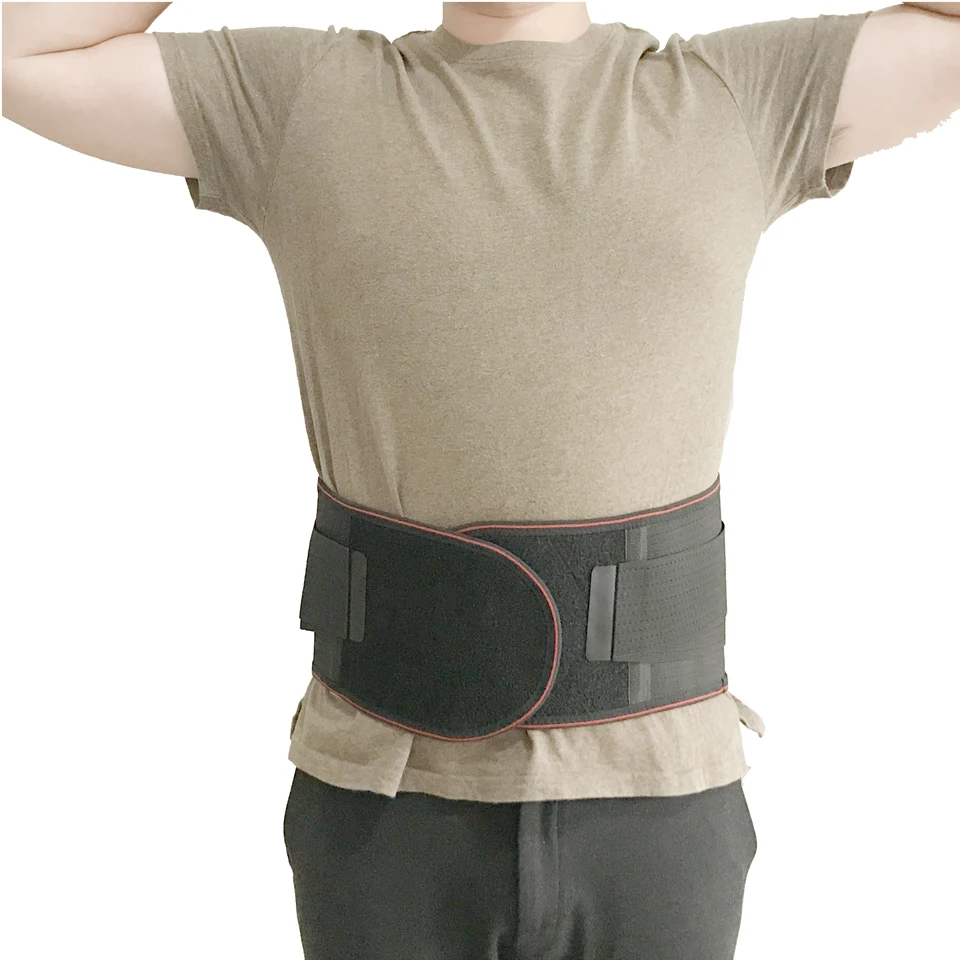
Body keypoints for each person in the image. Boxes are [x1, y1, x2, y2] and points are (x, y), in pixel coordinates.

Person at [4, 2, 958, 957]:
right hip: (385, 807)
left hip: (660, 806)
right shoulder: (305, 100)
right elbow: (19, 50)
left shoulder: (737, 96)